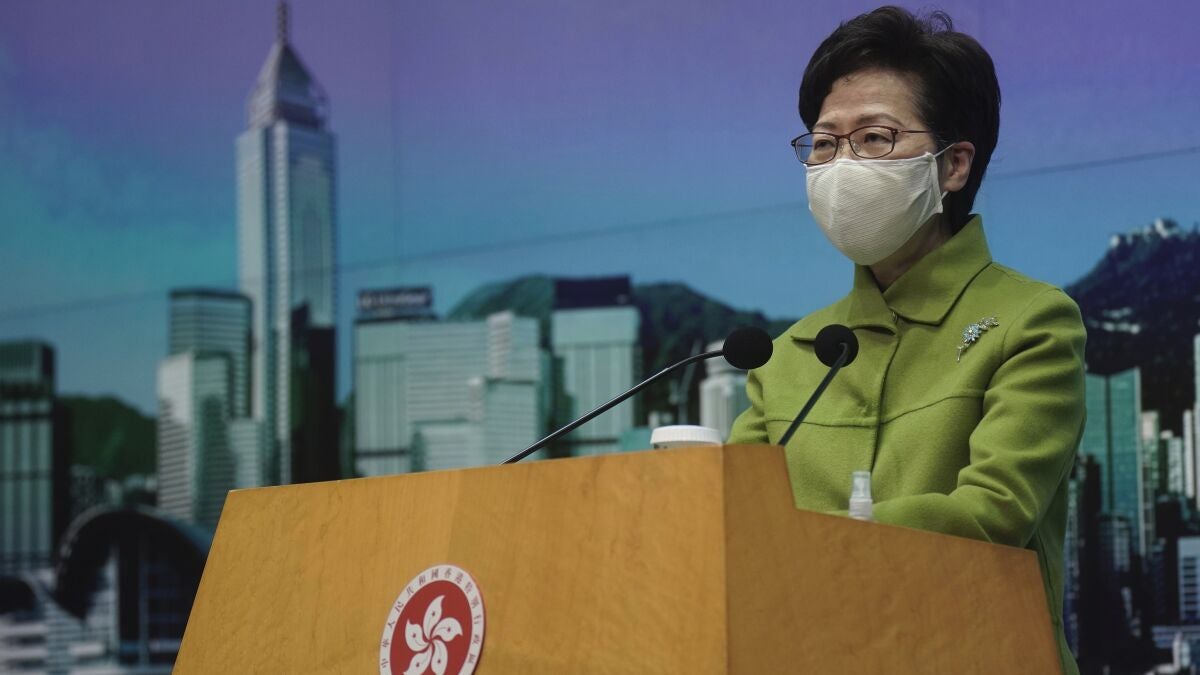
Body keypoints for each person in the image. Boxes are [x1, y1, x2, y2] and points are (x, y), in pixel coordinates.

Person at [726, 7, 1085, 675]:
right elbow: (731, 529)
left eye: (874, 137)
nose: (841, 165)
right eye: (824, 143)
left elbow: (993, 511)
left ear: (953, 165)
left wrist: (814, 543)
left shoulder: (1031, 321)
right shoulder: (787, 356)